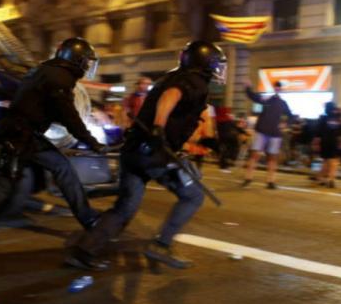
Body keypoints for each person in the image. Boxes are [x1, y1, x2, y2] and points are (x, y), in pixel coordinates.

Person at [66, 40, 227, 271]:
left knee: (126, 207)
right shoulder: (194, 81)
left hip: (135, 151)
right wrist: (159, 128)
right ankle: (161, 245)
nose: (218, 70)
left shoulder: (173, 75)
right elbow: (171, 97)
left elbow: (179, 109)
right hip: (155, 154)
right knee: (193, 196)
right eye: (216, 64)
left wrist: (206, 140)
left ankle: (84, 251)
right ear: (205, 62)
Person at [0, 37, 105, 248]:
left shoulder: (46, 70)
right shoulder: (60, 79)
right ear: (75, 59)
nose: (87, 66)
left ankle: (88, 218)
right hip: (21, 137)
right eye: (85, 61)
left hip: (24, 134)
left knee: (59, 168)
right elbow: (69, 116)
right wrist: (90, 141)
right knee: (4, 184)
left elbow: (47, 107)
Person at [242, 80, 294, 190]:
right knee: (254, 155)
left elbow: (291, 116)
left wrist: (286, 124)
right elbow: (254, 96)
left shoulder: (283, 103)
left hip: (275, 134)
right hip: (262, 131)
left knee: (272, 158)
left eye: (280, 87)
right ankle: (248, 178)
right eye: (277, 87)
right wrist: (247, 88)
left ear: (282, 89)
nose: (278, 89)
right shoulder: (267, 99)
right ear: (274, 88)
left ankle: (271, 181)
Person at [312, 102, 341, 188]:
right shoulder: (338, 119)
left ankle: (321, 178)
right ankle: (330, 179)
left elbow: (318, 133)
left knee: (326, 162)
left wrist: (316, 143)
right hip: (334, 142)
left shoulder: (323, 118)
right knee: (333, 162)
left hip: (325, 143)